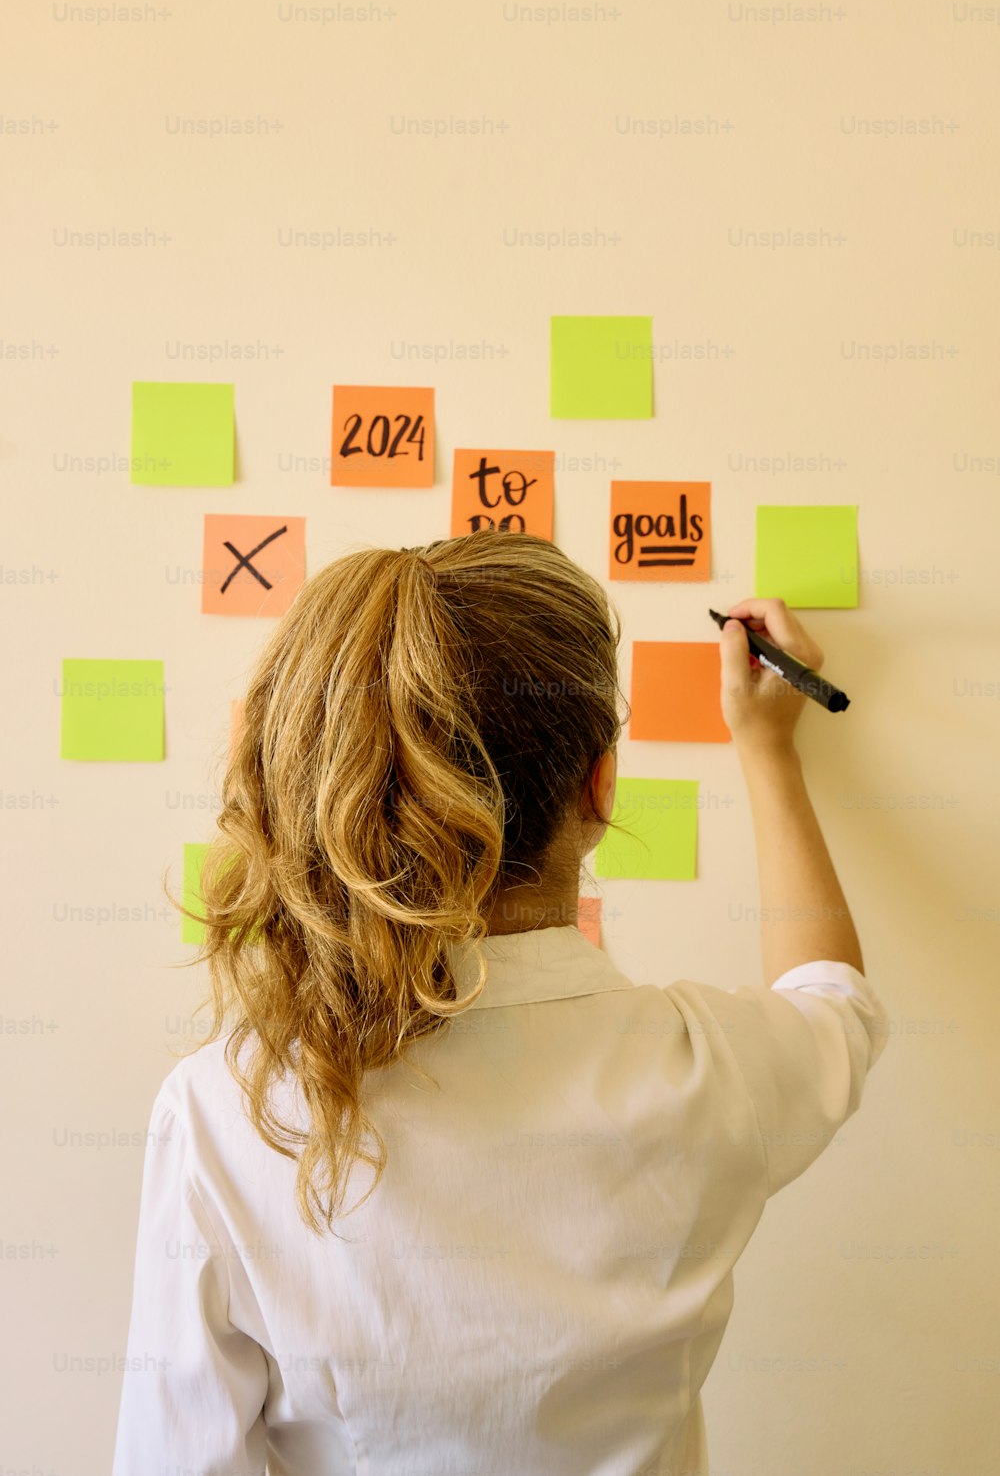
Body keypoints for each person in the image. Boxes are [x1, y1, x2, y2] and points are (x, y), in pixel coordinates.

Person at [111, 529, 889, 1476]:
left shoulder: (225, 1113)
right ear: (601, 785)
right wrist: (768, 750)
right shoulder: (711, 1069)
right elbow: (832, 998)